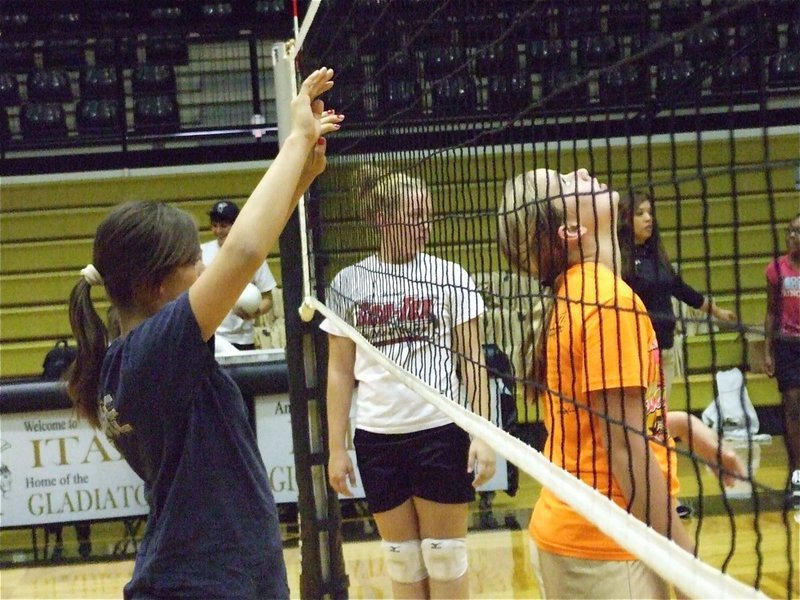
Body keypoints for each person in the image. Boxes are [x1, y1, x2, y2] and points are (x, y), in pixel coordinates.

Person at [66, 68, 343, 599]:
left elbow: (246, 251)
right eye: (195, 262)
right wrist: (294, 141)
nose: (206, 270)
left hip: (209, 577)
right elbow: (243, 252)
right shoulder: (153, 350)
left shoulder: (130, 359)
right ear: (155, 285)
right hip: (204, 582)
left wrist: (301, 178)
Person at [498, 168, 695, 599]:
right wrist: (687, 569)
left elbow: (607, 428)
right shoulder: (607, 301)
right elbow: (626, 450)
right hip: (606, 545)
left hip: (582, 534)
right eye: (566, 183)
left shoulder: (579, 291)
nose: (582, 172)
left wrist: (683, 425)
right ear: (571, 230)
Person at [323, 166, 496, 599]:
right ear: (384, 219)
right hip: (377, 439)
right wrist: (336, 448)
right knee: (402, 560)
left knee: (445, 556)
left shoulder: (450, 276)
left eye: (428, 215)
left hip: (440, 432)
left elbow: (473, 360)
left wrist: (482, 433)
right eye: (416, 215)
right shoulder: (347, 284)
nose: (426, 225)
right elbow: (340, 372)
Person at [618, 191, 737, 402]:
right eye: (640, 213)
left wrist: (717, 312)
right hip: (637, 352)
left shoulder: (656, 256)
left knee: (659, 415)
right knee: (644, 416)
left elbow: (681, 289)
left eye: (650, 213)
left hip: (666, 349)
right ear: (626, 219)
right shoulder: (618, 261)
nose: (648, 218)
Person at [201, 199, 277, 350]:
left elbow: (268, 299)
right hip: (210, 338)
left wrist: (256, 312)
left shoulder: (252, 255)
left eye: (224, 226)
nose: (218, 231)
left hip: (242, 339)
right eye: (214, 225)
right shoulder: (201, 252)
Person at [763, 213, 800, 510]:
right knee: (792, 406)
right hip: (787, 347)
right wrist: (767, 351)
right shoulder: (776, 270)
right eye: (790, 231)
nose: (793, 236)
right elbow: (771, 311)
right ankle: (797, 473)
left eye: (798, 232)